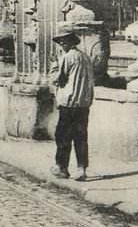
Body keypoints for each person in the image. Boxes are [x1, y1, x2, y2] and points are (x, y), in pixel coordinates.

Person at [50, 29, 94, 181]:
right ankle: (81, 168)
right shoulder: (86, 57)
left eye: (64, 40)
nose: (62, 43)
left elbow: (58, 79)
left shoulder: (67, 57)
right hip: (83, 103)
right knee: (81, 137)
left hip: (68, 102)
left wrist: (54, 65)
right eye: (60, 41)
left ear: (72, 42)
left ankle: (61, 167)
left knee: (62, 136)